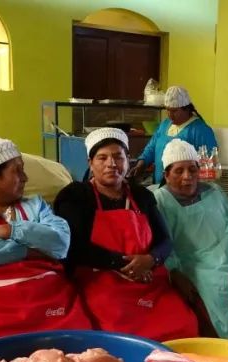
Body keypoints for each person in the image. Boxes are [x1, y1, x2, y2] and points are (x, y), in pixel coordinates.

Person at [54, 128, 198, 341]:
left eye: (118, 157)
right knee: (117, 330)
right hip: (99, 280)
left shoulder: (142, 196)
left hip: (148, 282)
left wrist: (151, 259)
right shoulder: (75, 196)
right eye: (102, 158)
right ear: (90, 163)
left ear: (128, 160)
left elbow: (164, 240)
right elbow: (73, 246)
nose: (111, 164)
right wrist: (126, 265)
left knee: (184, 323)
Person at [0, 137, 91, 342]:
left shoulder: (35, 204)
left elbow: (60, 242)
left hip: (47, 297)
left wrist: (8, 230)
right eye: (17, 171)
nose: (25, 178)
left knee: (79, 348)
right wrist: (28, 251)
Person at [153, 139, 228, 345]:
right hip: (195, 263)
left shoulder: (214, 191)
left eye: (193, 170)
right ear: (166, 174)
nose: (187, 177)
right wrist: (174, 272)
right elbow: (162, 244)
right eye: (179, 171)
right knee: (218, 286)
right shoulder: (159, 201)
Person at [133, 87, 217, 184]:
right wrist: (141, 165)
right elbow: (151, 148)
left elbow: (209, 162)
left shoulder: (201, 130)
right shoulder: (164, 125)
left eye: (174, 111)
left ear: (187, 109)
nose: (169, 114)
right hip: (159, 185)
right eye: (167, 110)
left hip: (185, 188)